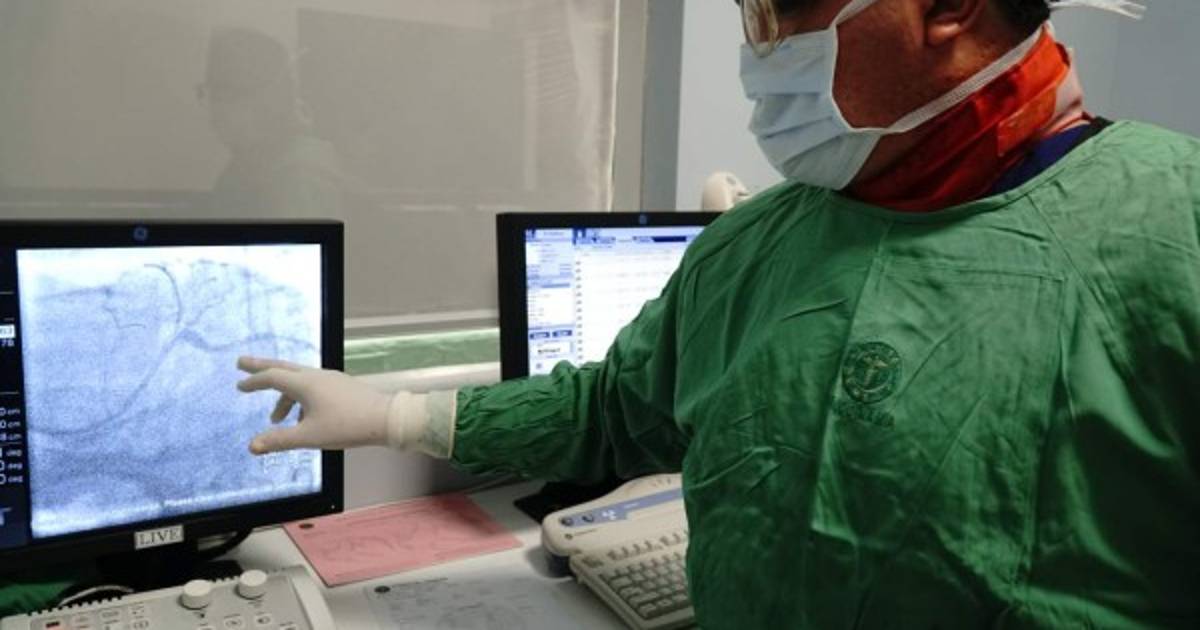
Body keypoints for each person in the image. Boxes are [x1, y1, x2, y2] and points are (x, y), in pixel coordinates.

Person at [237, 0, 1200, 626]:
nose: (760, 50)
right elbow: (613, 409)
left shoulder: (1173, 227)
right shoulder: (754, 244)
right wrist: (396, 414)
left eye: (786, 9)